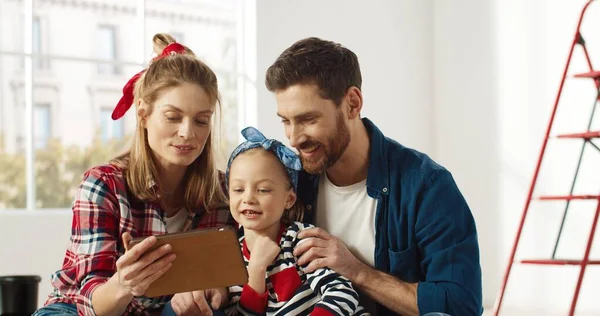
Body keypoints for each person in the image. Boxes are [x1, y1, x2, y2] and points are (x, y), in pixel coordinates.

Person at [264, 37, 483, 316]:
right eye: (285, 121)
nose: (294, 138)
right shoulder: (291, 182)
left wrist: (356, 270)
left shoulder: (427, 187)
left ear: (352, 104)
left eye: (308, 119)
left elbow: (460, 306)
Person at [33, 33, 231, 316]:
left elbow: (237, 274)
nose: (188, 133)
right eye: (173, 117)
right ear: (143, 114)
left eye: (201, 121)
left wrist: (219, 290)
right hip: (84, 310)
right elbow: (96, 305)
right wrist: (124, 284)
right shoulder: (103, 185)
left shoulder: (223, 192)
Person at [222, 126, 368, 315]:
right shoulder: (232, 259)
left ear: (289, 199)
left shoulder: (301, 240)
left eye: (263, 190)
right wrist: (257, 270)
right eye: (238, 190)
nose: (248, 198)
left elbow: (342, 293)